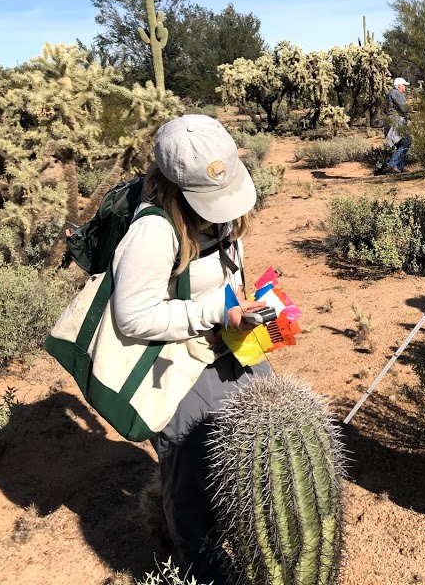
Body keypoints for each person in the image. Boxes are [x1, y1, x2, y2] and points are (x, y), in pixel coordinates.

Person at [111, 114, 271, 583]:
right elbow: (133, 316)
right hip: (176, 367)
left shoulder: (220, 217)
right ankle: (203, 564)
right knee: (190, 474)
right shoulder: (154, 231)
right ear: (178, 187)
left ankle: (251, 537)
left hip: (230, 345)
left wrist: (245, 306)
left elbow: (225, 272)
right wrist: (214, 313)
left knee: (260, 444)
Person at [385, 77, 411, 173]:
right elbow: (403, 108)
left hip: (391, 121)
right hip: (397, 121)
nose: (405, 87)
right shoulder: (396, 93)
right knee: (406, 142)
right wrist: (411, 111)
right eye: (404, 85)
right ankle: (392, 165)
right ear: (399, 86)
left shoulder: (390, 93)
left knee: (401, 143)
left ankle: (399, 168)